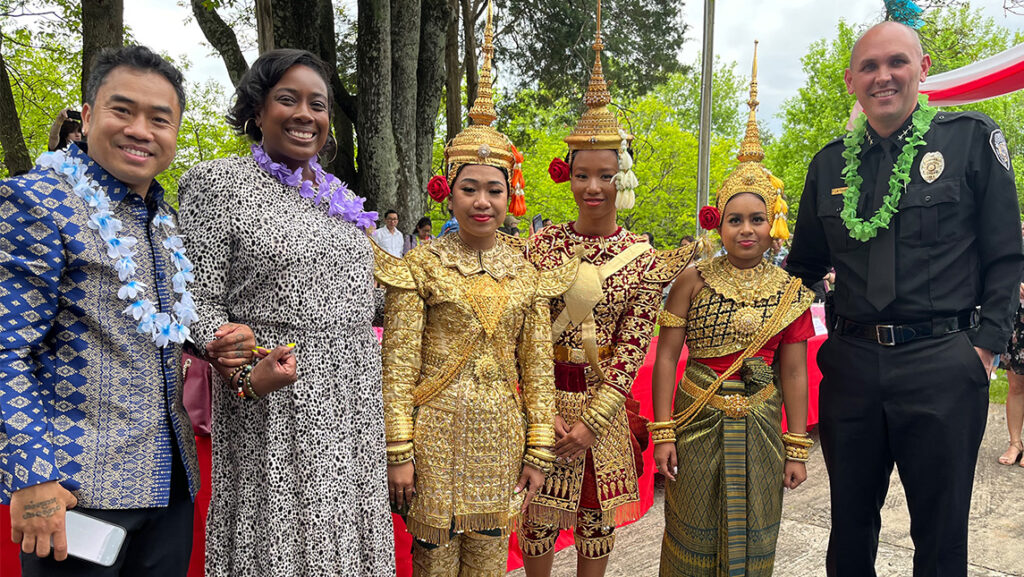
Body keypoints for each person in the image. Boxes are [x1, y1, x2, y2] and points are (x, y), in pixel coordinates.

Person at [786, 22, 1023, 577]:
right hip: (852, 367)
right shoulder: (828, 164)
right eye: (868, 66)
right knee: (848, 531)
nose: (883, 76)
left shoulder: (970, 139)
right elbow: (802, 269)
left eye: (896, 62)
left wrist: (983, 352)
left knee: (940, 538)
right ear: (850, 80)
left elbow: (1006, 257)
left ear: (923, 67)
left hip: (942, 363)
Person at [176, 48, 394, 576]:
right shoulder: (218, 183)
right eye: (287, 99)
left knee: (347, 534)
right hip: (278, 394)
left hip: (352, 393)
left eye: (317, 105)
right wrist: (236, 356)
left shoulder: (336, 194)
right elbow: (191, 302)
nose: (306, 115)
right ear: (256, 109)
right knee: (285, 540)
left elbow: (375, 294)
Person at [1, 45, 199, 577]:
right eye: (122, 110)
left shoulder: (163, 218)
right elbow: (4, 350)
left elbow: (161, 326)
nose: (141, 130)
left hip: (169, 483)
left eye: (160, 119)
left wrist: (224, 346)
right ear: (87, 117)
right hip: (76, 489)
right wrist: (32, 476)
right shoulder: (38, 201)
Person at [374, 7, 560, 574]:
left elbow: (538, 367)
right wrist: (399, 451)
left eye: (495, 191)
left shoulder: (527, 272)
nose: (483, 201)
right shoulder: (421, 266)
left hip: (501, 433)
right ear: (447, 194)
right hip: (431, 436)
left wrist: (539, 447)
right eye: (470, 189)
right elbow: (398, 364)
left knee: (486, 558)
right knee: (432, 559)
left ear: (511, 198)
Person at [519, 7, 694, 576]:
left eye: (605, 176)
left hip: (603, 409)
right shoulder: (537, 248)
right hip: (542, 405)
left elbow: (633, 348)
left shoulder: (642, 259)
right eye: (582, 175)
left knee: (595, 531)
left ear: (623, 179)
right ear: (565, 176)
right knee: (538, 524)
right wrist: (540, 416)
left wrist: (593, 421)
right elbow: (523, 337)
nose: (593, 188)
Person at [651, 52, 814, 575]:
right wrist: (663, 431)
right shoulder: (693, 280)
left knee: (757, 527)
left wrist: (797, 444)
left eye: (758, 219)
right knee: (691, 527)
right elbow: (666, 357)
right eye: (735, 219)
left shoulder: (790, 291)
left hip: (763, 421)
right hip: (697, 413)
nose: (747, 230)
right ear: (718, 225)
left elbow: (793, 369)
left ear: (774, 225)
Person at [998, 223, 1024, 466]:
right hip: (1019, 320)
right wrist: (1016, 286)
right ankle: (1015, 442)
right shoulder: (1017, 233)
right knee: (1016, 385)